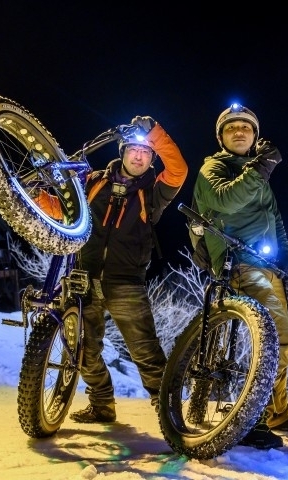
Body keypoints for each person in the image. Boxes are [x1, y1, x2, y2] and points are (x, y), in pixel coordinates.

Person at [191, 103, 288, 450]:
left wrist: (287, 256)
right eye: (231, 128)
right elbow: (226, 200)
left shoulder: (256, 172)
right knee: (278, 336)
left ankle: (277, 411)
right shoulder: (213, 167)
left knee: (281, 336)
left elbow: (275, 219)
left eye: (246, 127)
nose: (239, 132)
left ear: (255, 136)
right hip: (238, 260)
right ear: (221, 138)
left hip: (267, 264)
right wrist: (261, 167)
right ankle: (252, 418)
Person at [69, 115, 188, 423]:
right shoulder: (93, 182)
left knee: (146, 353)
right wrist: (34, 195)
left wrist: (155, 132)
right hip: (85, 277)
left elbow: (178, 170)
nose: (139, 156)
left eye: (146, 152)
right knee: (82, 350)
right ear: (122, 152)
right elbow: (64, 208)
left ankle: (169, 414)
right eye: (134, 150)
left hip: (126, 282)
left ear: (152, 158)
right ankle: (101, 405)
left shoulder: (154, 192)